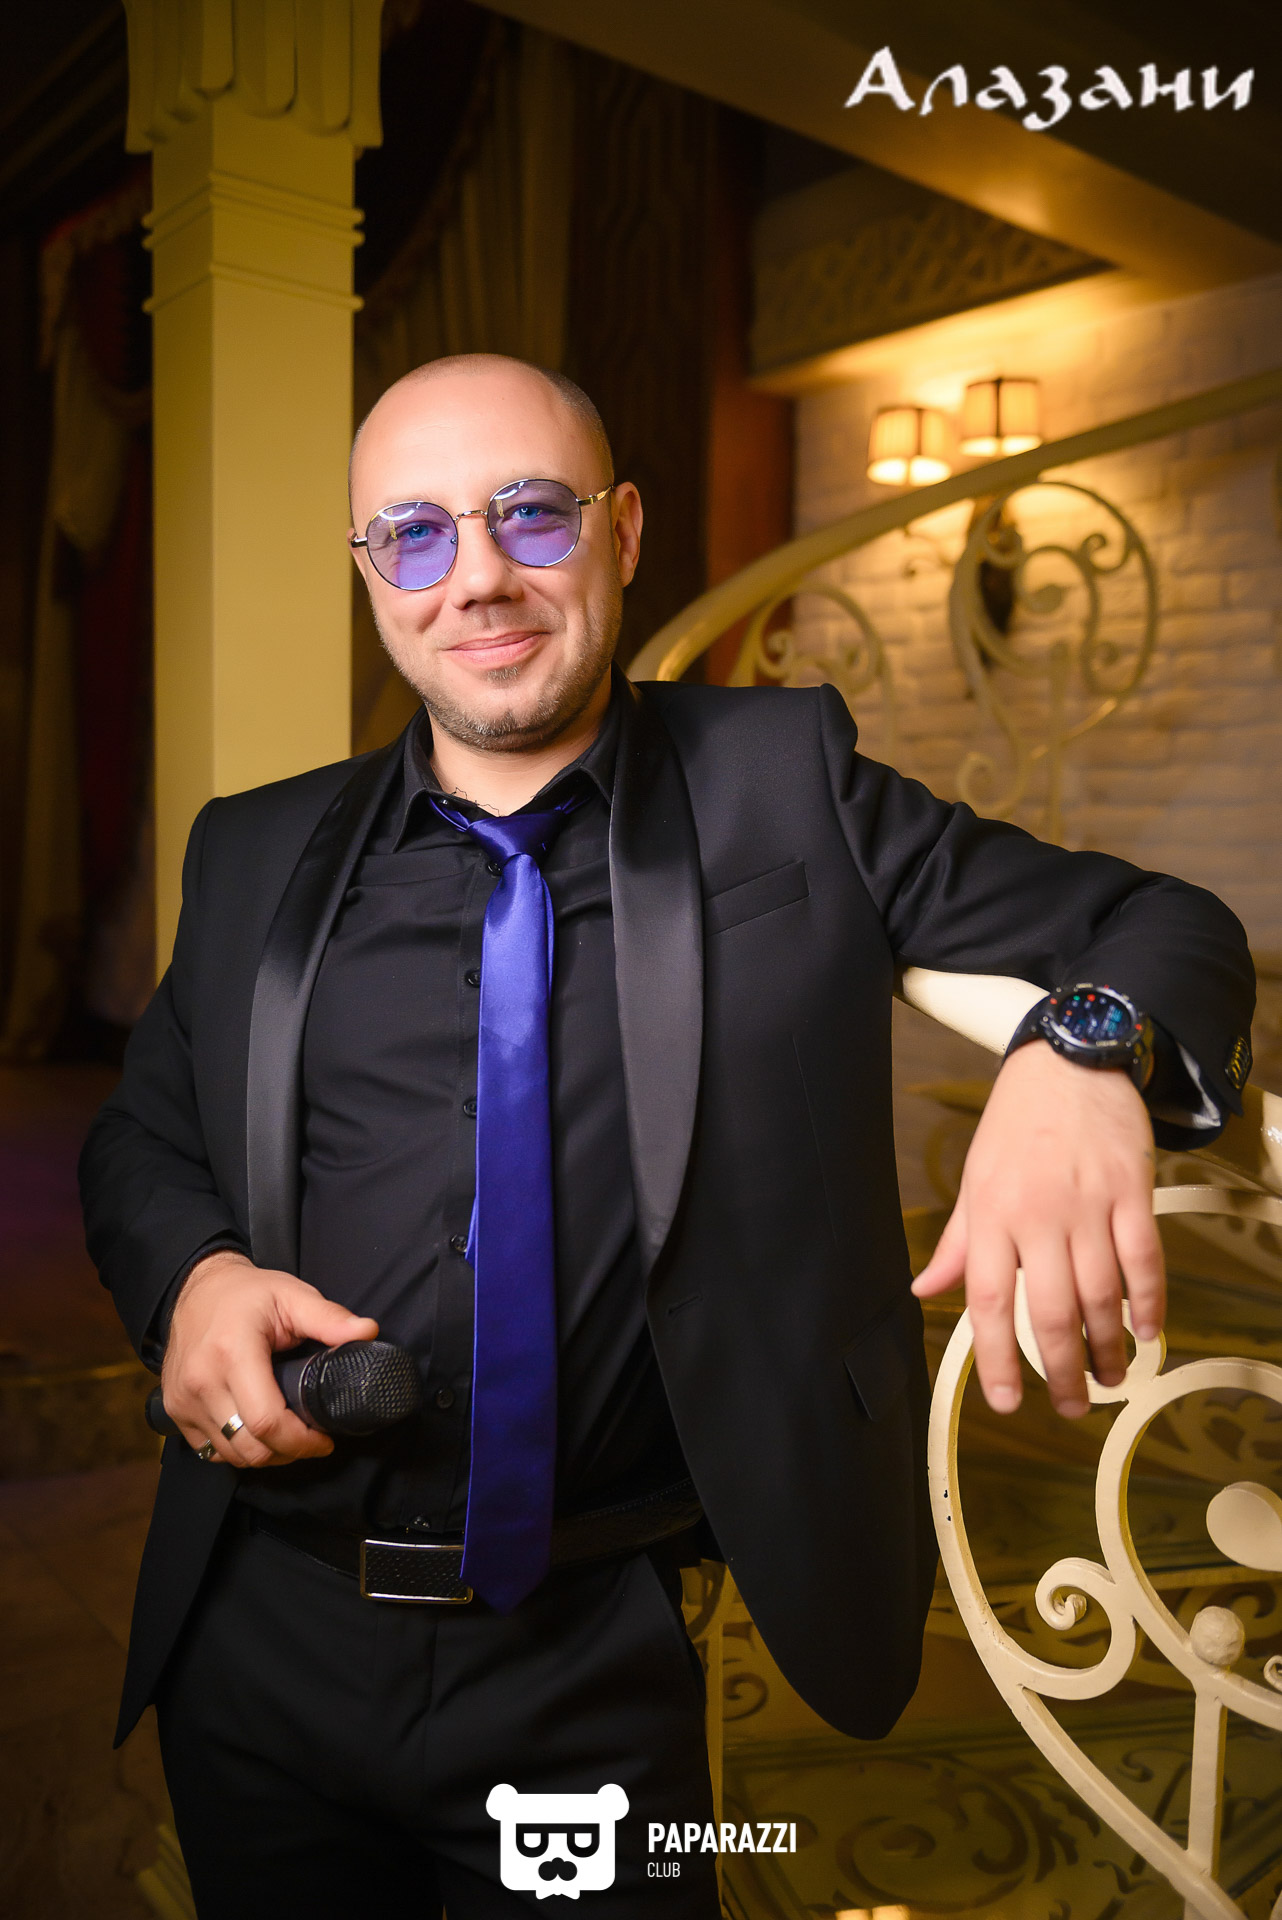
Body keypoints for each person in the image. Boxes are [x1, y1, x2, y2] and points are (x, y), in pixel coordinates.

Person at [80, 353, 1254, 1918]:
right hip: (260, 1631)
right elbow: (140, 1141)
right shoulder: (252, 848)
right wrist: (197, 1278)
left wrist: (1077, 1051)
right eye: (414, 535)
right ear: (370, 574)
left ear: (622, 530)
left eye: (530, 514)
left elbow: (1164, 921)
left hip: (591, 1653)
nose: (476, 578)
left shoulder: (786, 786)